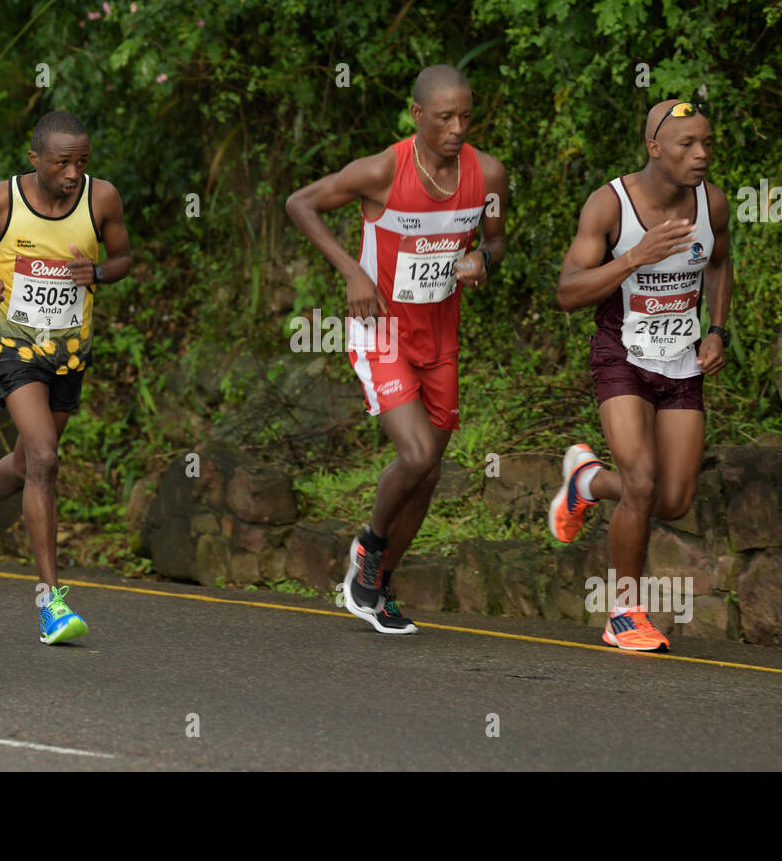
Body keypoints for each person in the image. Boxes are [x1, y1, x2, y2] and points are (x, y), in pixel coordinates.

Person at [286, 64, 507, 634]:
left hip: (441, 335)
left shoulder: (488, 174)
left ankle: (376, 587)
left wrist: (484, 258)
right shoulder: (383, 170)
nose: (457, 128)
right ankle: (369, 548)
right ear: (417, 117)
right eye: (444, 118)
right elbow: (299, 204)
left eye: (465, 116)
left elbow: (498, 236)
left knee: (428, 472)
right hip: (381, 329)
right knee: (415, 455)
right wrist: (353, 274)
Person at [0, 110, 130, 645]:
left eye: (82, 162)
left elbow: (125, 258)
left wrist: (98, 273)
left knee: (25, 467)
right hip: (14, 347)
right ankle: (51, 602)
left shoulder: (102, 199)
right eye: (62, 162)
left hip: (69, 353)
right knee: (44, 457)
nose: (73, 173)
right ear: (35, 159)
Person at [551, 99, 733, 651]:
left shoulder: (713, 203)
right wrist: (634, 257)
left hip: (681, 364)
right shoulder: (611, 206)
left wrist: (718, 330)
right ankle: (624, 613)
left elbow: (721, 262)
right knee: (643, 481)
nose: (701, 154)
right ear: (654, 147)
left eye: (706, 142)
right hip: (622, 358)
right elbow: (567, 293)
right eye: (687, 144)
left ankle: (585, 483)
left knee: (673, 500)